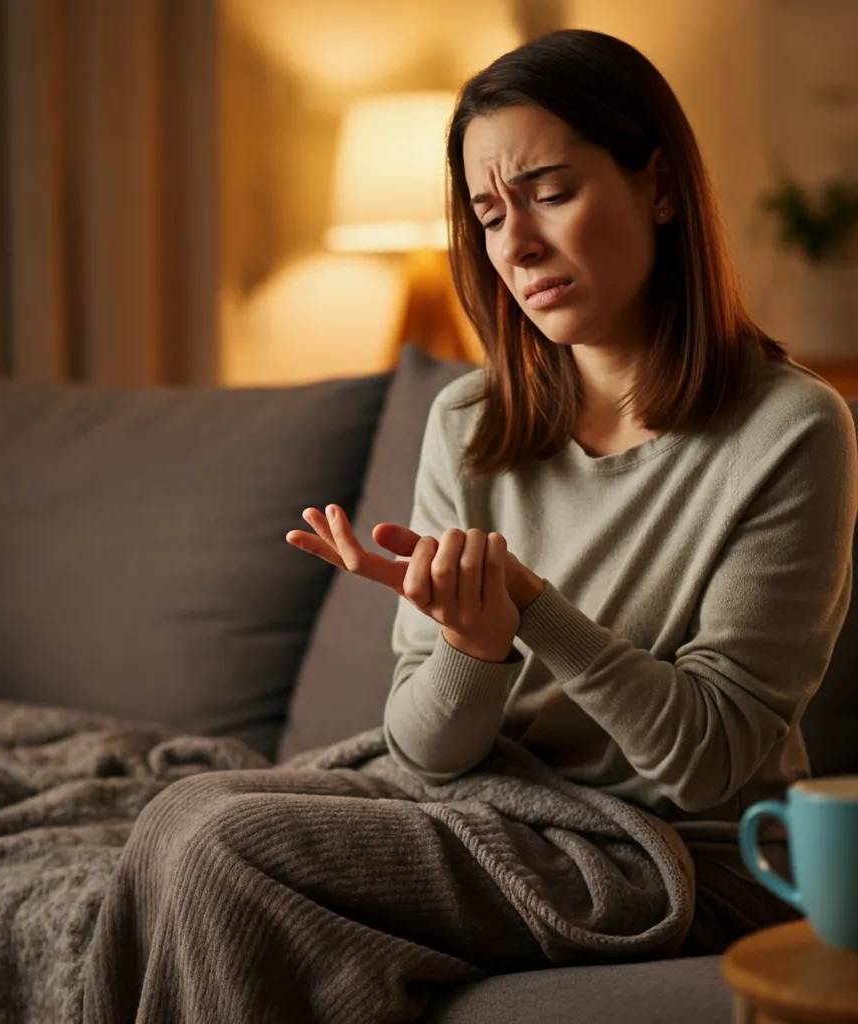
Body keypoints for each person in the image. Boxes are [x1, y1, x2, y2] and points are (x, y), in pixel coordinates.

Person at [286, 28, 856, 954]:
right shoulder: (468, 423)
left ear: (661, 188)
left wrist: (533, 611)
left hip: (688, 859)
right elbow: (422, 755)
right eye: (488, 212)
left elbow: (707, 761)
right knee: (184, 822)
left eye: (550, 194)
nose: (518, 244)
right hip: (499, 821)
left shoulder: (791, 429)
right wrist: (474, 645)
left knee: (232, 841)